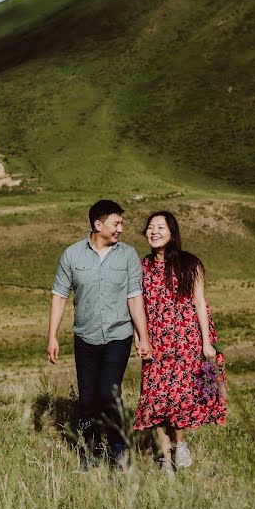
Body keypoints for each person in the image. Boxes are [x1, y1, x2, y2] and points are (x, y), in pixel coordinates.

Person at [47, 199, 152, 470]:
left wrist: (143, 336)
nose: (120, 228)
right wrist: (52, 336)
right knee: (87, 398)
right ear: (98, 224)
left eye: (121, 223)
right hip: (85, 336)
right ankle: (88, 452)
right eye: (116, 223)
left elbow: (134, 298)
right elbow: (59, 295)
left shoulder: (127, 255)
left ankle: (120, 450)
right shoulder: (72, 255)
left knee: (109, 394)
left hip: (119, 335)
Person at [134, 210, 227, 474]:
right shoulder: (142, 267)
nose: (154, 232)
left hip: (186, 340)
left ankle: (180, 444)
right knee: (155, 400)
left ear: (172, 232)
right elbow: (137, 304)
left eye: (160, 227)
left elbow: (200, 303)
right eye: (150, 227)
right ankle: (165, 460)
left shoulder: (190, 264)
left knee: (180, 398)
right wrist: (141, 338)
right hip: (156, 344)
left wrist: (206, 343)